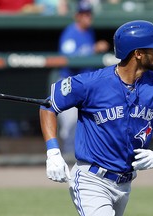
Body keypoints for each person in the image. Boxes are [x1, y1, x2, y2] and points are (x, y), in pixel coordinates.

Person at [39, 20, 153, 216]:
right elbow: (48, 106)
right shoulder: (92, 83)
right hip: (92, 179)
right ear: (138, 53)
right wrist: (53, 153)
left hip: (125, 185)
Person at [57, 0, 109, 154]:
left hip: (86, 87)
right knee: (69, 129)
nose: (87, 17)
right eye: (84, 14)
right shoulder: (70, 33)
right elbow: (69, 60)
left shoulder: (89, 32)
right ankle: (67, 160)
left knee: (90, 126)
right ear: (77, 16)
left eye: (89, 14)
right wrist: (93, 49)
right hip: (69, 85)